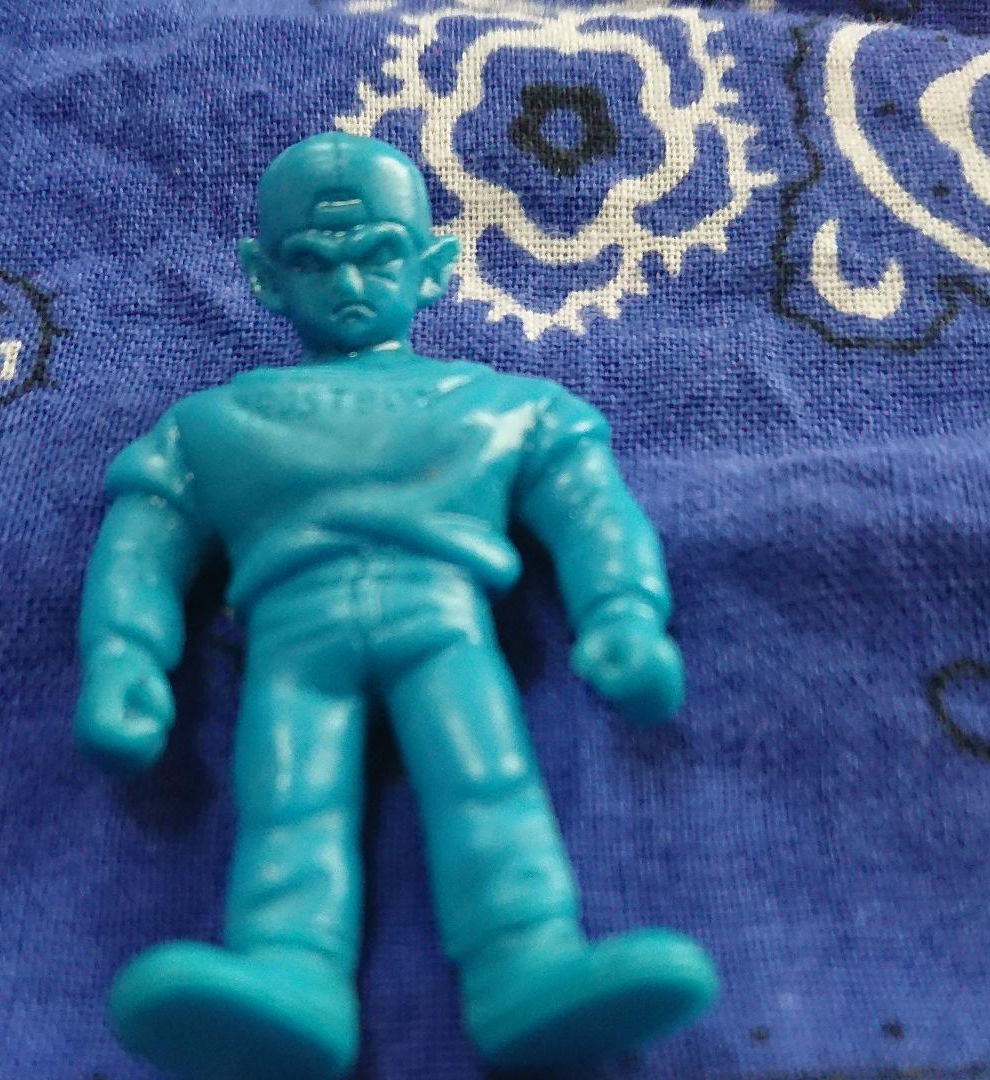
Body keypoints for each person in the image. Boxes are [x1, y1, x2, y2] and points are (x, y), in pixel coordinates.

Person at [75, 131, 717, 1079]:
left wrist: (621, 613)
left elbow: (592, 508)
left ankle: (526, 961)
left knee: (488, 782)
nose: (347, 282)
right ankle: (288, 974)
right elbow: (143, 538)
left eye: (378, 254)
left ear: (434, 268)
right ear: (263, 277)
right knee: (288, 802)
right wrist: (123, 655)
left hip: (440, 619)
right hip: (294, 633)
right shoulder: (212, 425)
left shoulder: (500, 406)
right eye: (312, 260)